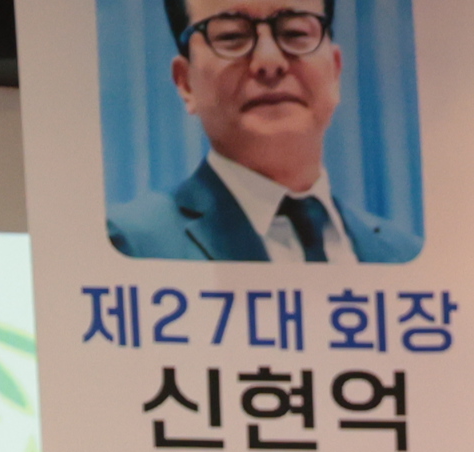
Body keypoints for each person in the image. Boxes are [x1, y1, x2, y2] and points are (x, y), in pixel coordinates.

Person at [106, 2, 423, 265]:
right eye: (231, 36)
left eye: (295, 32)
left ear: (335, 70)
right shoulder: (133, 246)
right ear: (186, 82)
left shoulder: (406, 255)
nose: (269, 62)